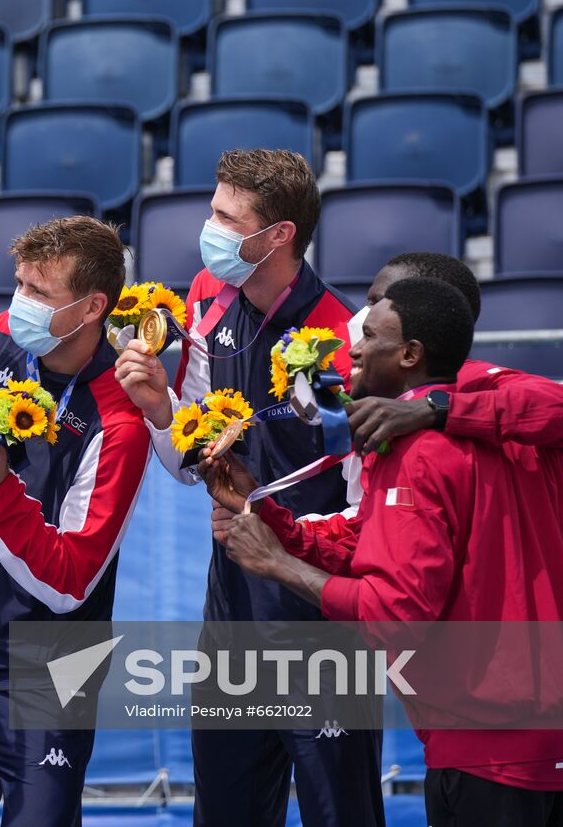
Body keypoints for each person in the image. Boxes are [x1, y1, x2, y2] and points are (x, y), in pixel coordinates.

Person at [218, 277, 563, 827]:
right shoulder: (535, 446)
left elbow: (398, 615)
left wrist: (278, 565)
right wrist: (268, 517)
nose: (352, 343)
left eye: (371, 326)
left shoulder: (418, 451)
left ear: (410, 353)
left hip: (485, 745)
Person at [114, 149, 381, 826]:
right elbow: (189, 465)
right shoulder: (206, 297)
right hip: (231, 611)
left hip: (319, 621)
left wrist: (278, 540)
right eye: (214, 211)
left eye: (228, 218)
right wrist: (155, 410)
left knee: (340, 813)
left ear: (279, 236)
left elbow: (366, 507)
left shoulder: (344, 341)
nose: (211, 228)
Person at [0, 217, 152, 826]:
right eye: (18, 285)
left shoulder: (119, 421)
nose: (21, 305)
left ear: (92, 307)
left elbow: (71, 582)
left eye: (40, 294)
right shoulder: (1, 344)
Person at [208, 251, 563, 571]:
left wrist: (435, 411)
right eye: (369, 302)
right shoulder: (374, 401)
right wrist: (262, 513)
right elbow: (368, 527)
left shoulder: (479, 384)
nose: (365, 318)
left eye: (382, 303)